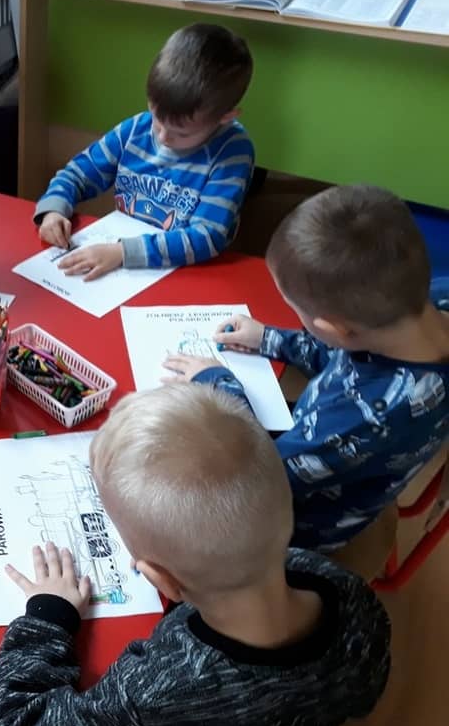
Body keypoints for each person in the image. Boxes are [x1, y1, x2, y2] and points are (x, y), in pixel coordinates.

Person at [0, 385, 391, 726]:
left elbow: (17, 720)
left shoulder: (156, 689)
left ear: (161, 580)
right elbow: (365, 689)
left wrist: (49, 616)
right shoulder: (346, 589)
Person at [163, 184, 449, 551]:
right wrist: (270, 339)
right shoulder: (422, 305)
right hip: (328, 452)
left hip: (299, 523)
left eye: (295, 308)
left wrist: (219, 385)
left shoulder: (363, 419)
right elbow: (347, 353)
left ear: (334, 328)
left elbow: (257, 476)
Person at [35, 23, 254, 280]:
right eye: (157, 120)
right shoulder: (136, 130)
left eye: (181, 133)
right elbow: (76, 174)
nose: (162, 138)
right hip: (127, 269)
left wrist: (122, 253)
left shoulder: (232, 152)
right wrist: (53, 210)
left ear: (225, 117)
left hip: (190, 272)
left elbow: (207, 236)